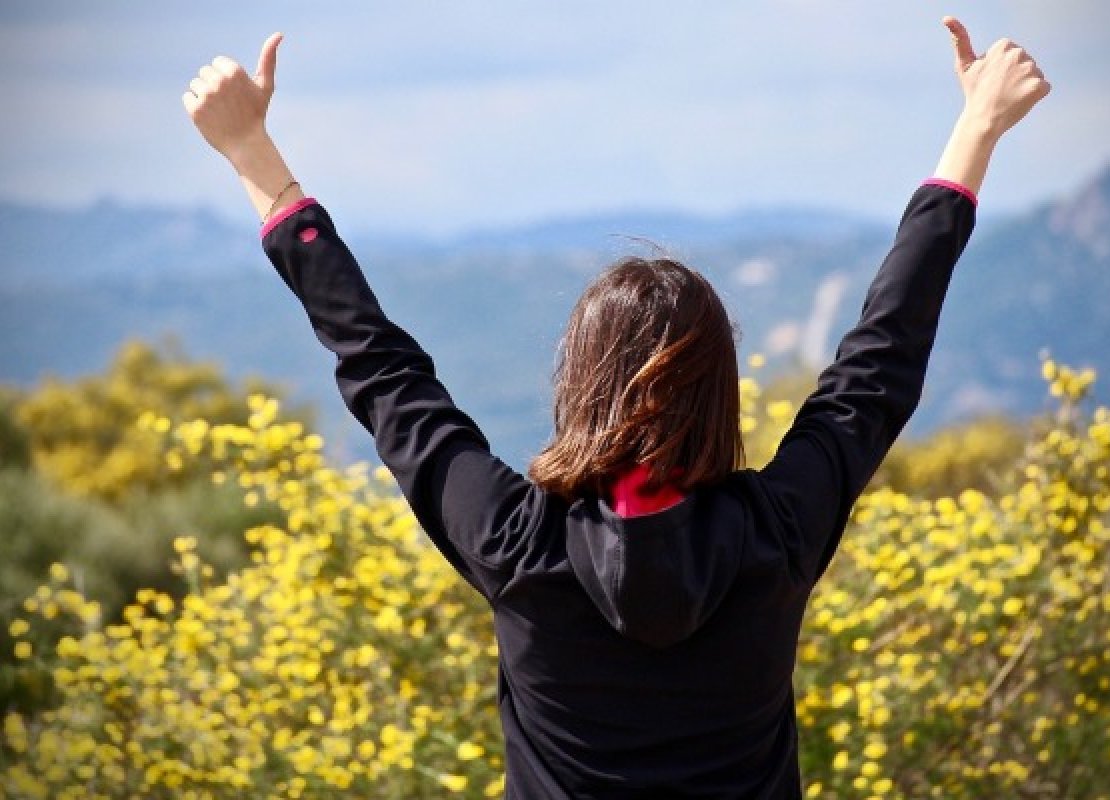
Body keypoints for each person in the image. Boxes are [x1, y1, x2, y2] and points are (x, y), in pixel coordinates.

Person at [184, 16, 1049, 798]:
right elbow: (883, 359)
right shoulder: (775, 532)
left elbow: (379, 366)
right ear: (722, 389)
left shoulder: (515, 540)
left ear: (578, 380)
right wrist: (976, 129)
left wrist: (251, 152)